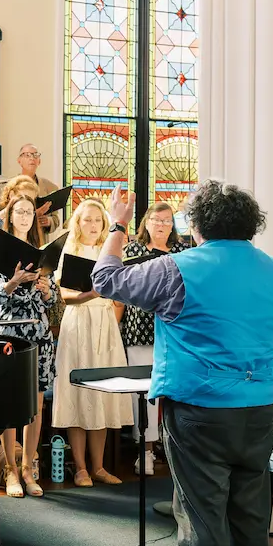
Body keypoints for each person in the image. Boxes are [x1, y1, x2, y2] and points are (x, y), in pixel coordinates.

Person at [92, 182, 273, 546]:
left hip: (201, 410)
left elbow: (105, 280)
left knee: (203, 521)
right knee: (251, 520)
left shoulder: (178, 269)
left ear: (196, 226)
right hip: (261, 409)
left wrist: (118, 224)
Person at [52, 198, 132, 487]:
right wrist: (91, 294)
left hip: (104, 323)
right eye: (87, 219)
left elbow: (120, 290)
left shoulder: (109, 251)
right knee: (78, 392)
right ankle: (81, 468)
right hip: (78, 323)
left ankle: (98, 467)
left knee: (102, 394)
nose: (93, 224)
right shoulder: (70, 250)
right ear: (78, 222)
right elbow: (65, 296)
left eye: (98, 220)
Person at [0, 196, 59, 499]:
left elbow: (53, 300)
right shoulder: (0, 251)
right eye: (20, 211)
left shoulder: (42, 253)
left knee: (36, 404)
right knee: (9, 404)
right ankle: (10, 470)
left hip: (39, 333)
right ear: (11, 215)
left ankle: (29, 468)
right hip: (11, 334)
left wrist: (46, 291)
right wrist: (14, 281)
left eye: (30, 211)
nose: (25, 216)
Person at [112, 201, 190, 475]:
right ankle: (144, 451)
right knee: (144, 394)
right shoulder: (133, 250)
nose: (161, 225)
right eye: (156, 220)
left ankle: (173, 448)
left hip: (175, 330)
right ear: (146, 222)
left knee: (174, 392)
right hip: (140, 328)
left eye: (167, 221)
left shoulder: (182, 252)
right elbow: (121, 290)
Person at [0, 175, 44, 320]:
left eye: (32, 199)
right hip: (1, 282)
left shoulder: (30, 226)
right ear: (11, 195)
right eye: (24, 195)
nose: (26, 200)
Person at [16, 143, 62, 239]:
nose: (32, 158)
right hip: (17, 238)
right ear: (19, 161)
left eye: (35, 155)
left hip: (40, 239)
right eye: (27, 155)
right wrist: (34, 215)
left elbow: (55, 219)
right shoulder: (10, 187)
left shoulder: (50, 187)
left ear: (39, 161)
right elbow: (4, 216)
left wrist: (48, 221)